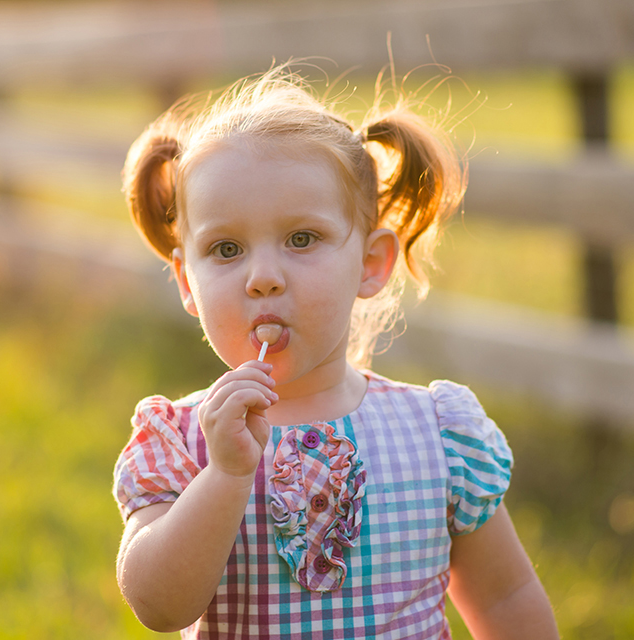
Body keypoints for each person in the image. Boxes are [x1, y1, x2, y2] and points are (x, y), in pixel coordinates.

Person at [112, 64, 558, 639]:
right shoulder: (180, 441)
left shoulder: (439, 436)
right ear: (186, 282)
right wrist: (225, 474)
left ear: (371, 263)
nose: (263, 278)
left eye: (302, 239)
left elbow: (504, 599)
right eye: (226, 249)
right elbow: (159, 606)